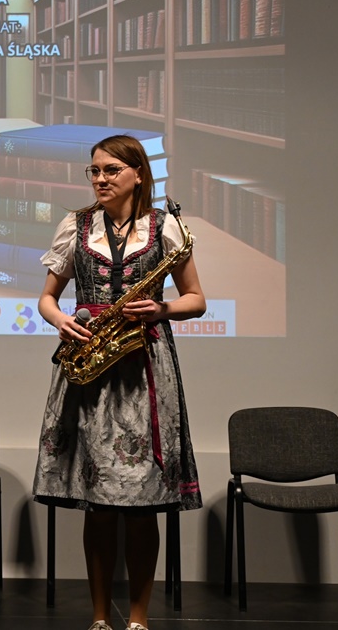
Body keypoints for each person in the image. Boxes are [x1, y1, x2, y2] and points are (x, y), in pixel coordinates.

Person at [32, 135, 205, 630]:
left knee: (143, 505)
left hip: (144, 370)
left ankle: (139, 618)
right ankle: (99, 617)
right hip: (90, 366)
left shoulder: (166, 226)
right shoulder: (75, 225)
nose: (100, 179)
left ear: (138, 174)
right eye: (94, 171)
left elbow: (196, 299)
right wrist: (60, 320)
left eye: (111, 170)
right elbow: (47, 298)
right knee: (100, 505)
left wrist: (162, 308)